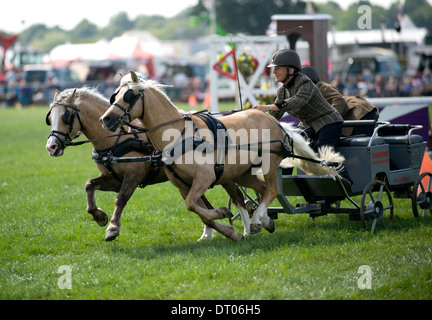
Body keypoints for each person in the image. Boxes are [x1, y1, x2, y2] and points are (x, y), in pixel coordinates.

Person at [253, 49, 344, 152]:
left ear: (291, 70)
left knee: (321, 156)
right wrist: (257, 118)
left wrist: (269, 106)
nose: (274, 72)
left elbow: (297, 101)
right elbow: (274, 115)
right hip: (310, 127)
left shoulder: (305, 83)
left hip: (329, 123)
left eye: (277, 68)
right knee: (289, 149)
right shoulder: (282, 91)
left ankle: (332, 167)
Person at [301, 65, 379, 137]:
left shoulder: (320, 87)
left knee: (360, 149)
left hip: (360, 113)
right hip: (358, 115)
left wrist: (328, 121)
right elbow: (305, 120)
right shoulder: (307, 97)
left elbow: (339, 100)